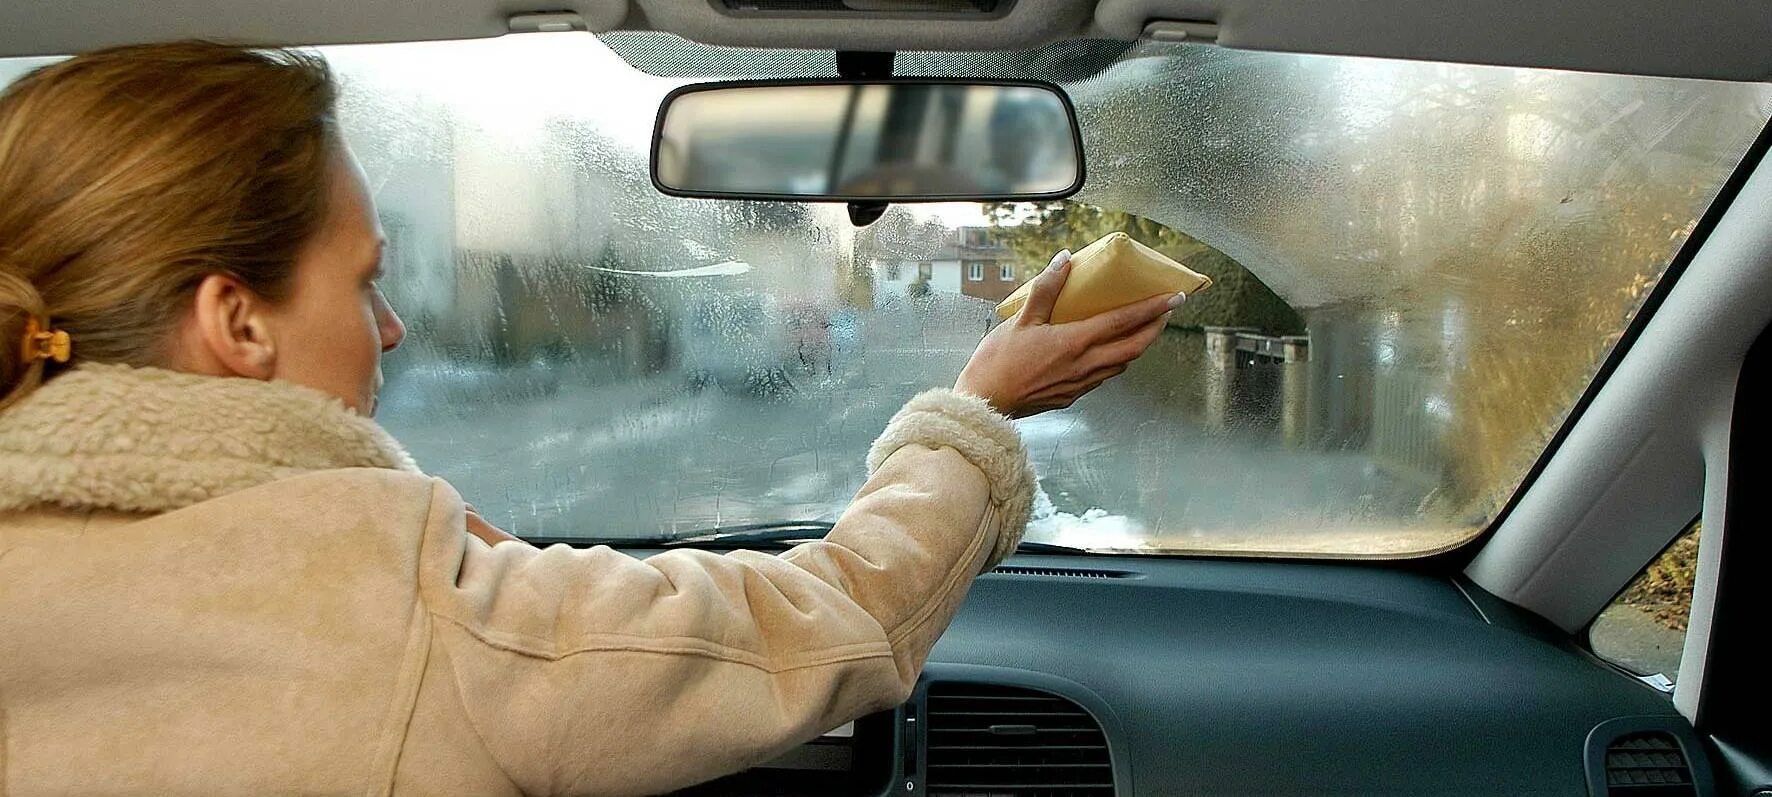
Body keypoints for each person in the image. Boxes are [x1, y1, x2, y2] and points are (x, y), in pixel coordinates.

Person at [0, 42, 1182, 795]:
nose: (395, 326)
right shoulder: (401, 605)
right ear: (235, 321)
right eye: (364, 279)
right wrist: (979, 406)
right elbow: (827, 621)